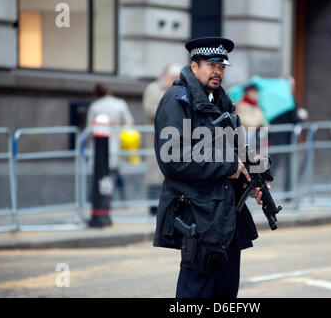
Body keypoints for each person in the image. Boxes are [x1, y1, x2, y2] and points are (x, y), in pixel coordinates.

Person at [153, 37, 268, 298]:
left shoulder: (221, 100)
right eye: (211, 65)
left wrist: (256, 177)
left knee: (226, 292)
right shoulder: (177, 99)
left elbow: (237, 149)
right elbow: (173, 159)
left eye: (222, 66)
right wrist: (228, 166)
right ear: (194, 66)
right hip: (197, 215)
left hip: (225, 215)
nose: (218, 71)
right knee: (196, 293)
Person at [143, 64, 181, 215]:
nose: (176, 81)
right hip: (157, 140)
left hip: (174, 142)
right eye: (173, 78)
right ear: (165, 76)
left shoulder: (177, 90)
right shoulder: (154, 89)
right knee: (155, 175)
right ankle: (154, 207)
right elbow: (151, 109)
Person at [86, 83, 135, 202]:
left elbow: (89, 128)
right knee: (113, 174)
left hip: (98, 148)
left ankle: (102, 200)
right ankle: (113, 200)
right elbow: (129, 122)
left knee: (100, 176)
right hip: (114, 145)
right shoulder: (120, 104)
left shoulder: (95, 106)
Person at [235, 84, 264, 151]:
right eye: (254, 92)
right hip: (244, 142)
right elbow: (253, 123)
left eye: (256, 93)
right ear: (248, 93)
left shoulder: (255, 106)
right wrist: (259, 112)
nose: (256, 95)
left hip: (254, 142)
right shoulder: (241, 106)